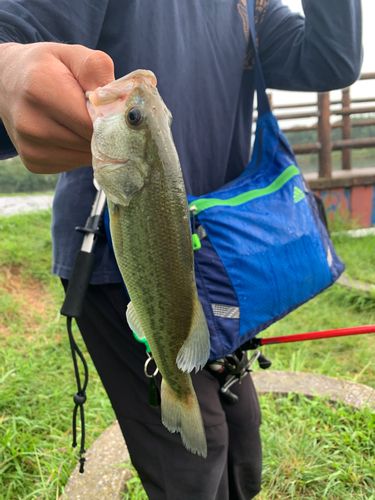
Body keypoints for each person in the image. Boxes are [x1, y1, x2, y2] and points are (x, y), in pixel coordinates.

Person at [0, 1, 362, 498]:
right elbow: (12, 31)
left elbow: (331, 60)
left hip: (219, 261)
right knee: (194, 460)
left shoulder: (248, 5)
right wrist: (7, 69)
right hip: (118, 267)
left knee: (240, 436)